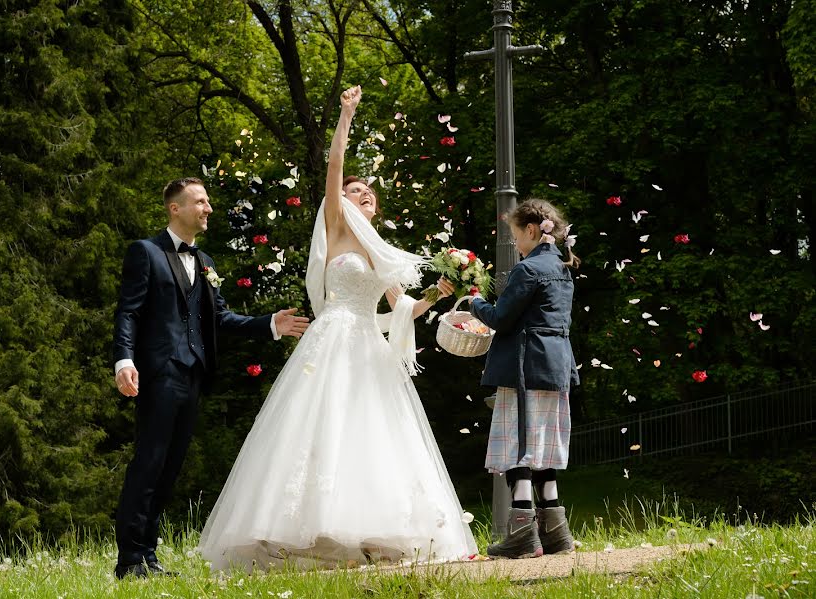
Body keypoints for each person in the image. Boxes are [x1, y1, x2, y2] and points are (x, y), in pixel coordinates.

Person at [197, 85, 477, 571]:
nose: (361, 193)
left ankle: (376, 535)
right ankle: (305, 534)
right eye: (354, 189)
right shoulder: (335, 226)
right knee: (322, 427)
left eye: (368, 192)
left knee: (372, 432)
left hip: (369, 348)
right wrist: (346, 115)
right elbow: (333, 168)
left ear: (377, 209)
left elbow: (400, 311)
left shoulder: (382, 252)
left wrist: (437, 296)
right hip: (331, 342)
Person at [112, 177, 310, 579]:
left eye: (207, 202)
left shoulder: (206, 263)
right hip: (159, 371)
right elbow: (128, 311)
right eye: (200, 202)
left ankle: (149, 557)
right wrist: (123, 360)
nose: (208, 209)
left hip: (194, 375)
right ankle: (130, 559)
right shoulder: (145, 252)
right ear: (175, 208)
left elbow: (219, 318)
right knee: (149, 463)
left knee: (170, 468)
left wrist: (269, 323)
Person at [466, 198, 581, 559]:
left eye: (516, 236)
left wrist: (474, 302)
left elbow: (500, 317)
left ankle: (521, 534)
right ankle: (556, 534)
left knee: (518, 447)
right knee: (543, 449)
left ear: (531, 230)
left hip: (524, 366)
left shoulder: (528, 269)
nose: (515, 244)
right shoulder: (563, 268)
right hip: (556, 365)